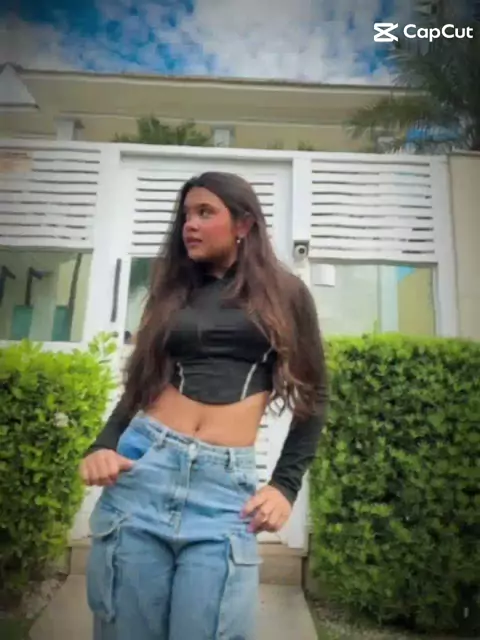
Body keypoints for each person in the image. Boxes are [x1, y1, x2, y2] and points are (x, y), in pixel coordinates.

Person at [80, 171, 328, 640]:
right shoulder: (173, 292)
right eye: (186, 215)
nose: (189, 225)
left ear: (243, 224)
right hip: (145, 473)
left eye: (205, 212)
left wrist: (285, 485)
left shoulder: (287, 295)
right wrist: (103, 444)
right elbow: (141, 383)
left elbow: (315, 395)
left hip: (222, 491)